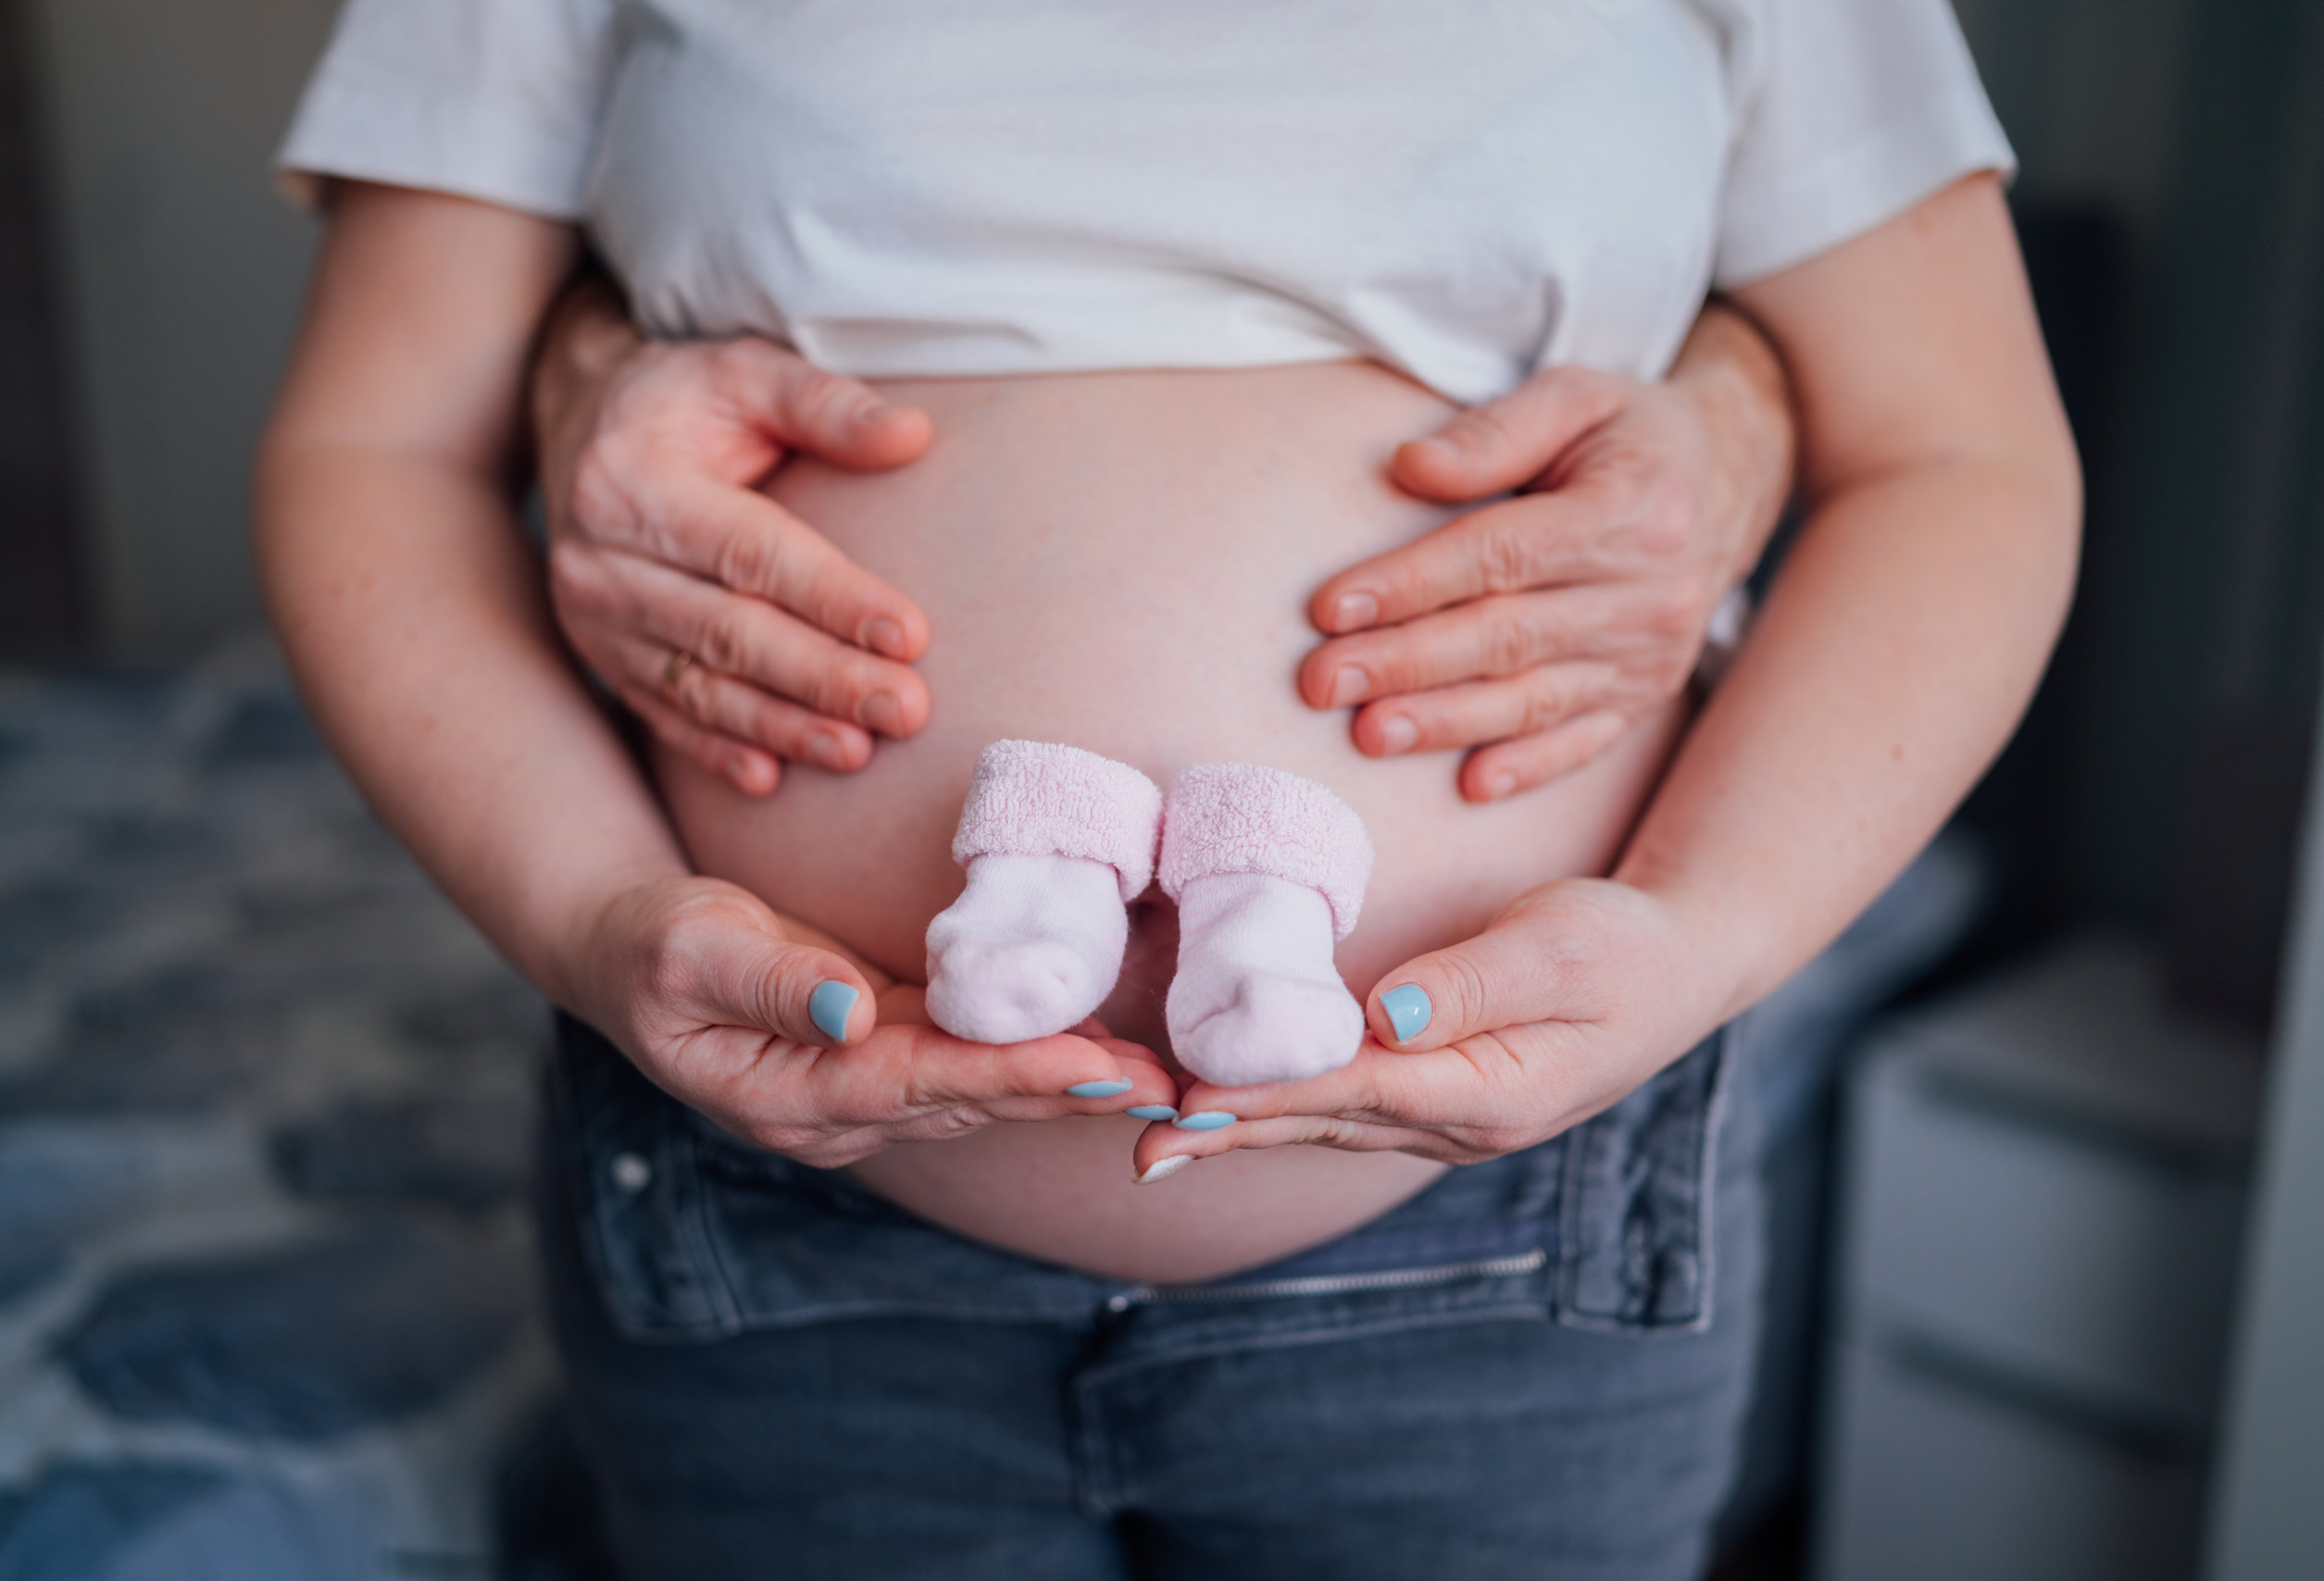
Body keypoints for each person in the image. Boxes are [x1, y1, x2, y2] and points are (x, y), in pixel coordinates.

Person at [256, 3, 2079, 1577]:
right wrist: (591, 918)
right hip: (774, 1227)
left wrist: (1698, 939)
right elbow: (375, 441)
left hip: (1499, 1235)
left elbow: (1960, 454)